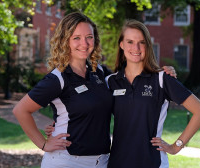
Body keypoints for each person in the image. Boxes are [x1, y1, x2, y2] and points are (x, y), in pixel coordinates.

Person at [13, 12, 176, 168]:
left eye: (89, 37)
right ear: (65, 41)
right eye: (76, 38)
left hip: (102, 161)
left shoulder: (99, 72)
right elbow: (21, 110)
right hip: (67, 161)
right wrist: (43, 143)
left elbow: (132, 84)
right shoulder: (57, 79)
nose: (84, 44)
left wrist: (161, 72)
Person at [105, 19, 200, 168]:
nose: (136, 47)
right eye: (130, 42)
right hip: (118, 162)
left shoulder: (162, 79)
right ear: (121, 44)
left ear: (148, 45)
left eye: (141, 42)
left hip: (152, 162)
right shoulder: (110, 82)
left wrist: (176, 146)